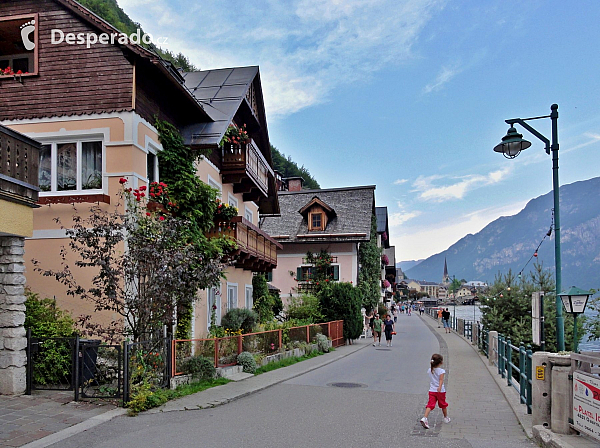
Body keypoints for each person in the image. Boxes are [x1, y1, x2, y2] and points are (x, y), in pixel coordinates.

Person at [420, 353, 450, 429]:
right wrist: (439, 387)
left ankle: (424, 418)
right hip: (440, 391)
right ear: (441, 363)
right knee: (443, 404)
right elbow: (441, 380)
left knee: (430, 404)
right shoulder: (441, 371)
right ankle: (446, 417)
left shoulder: (430, 370)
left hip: (432, 390)